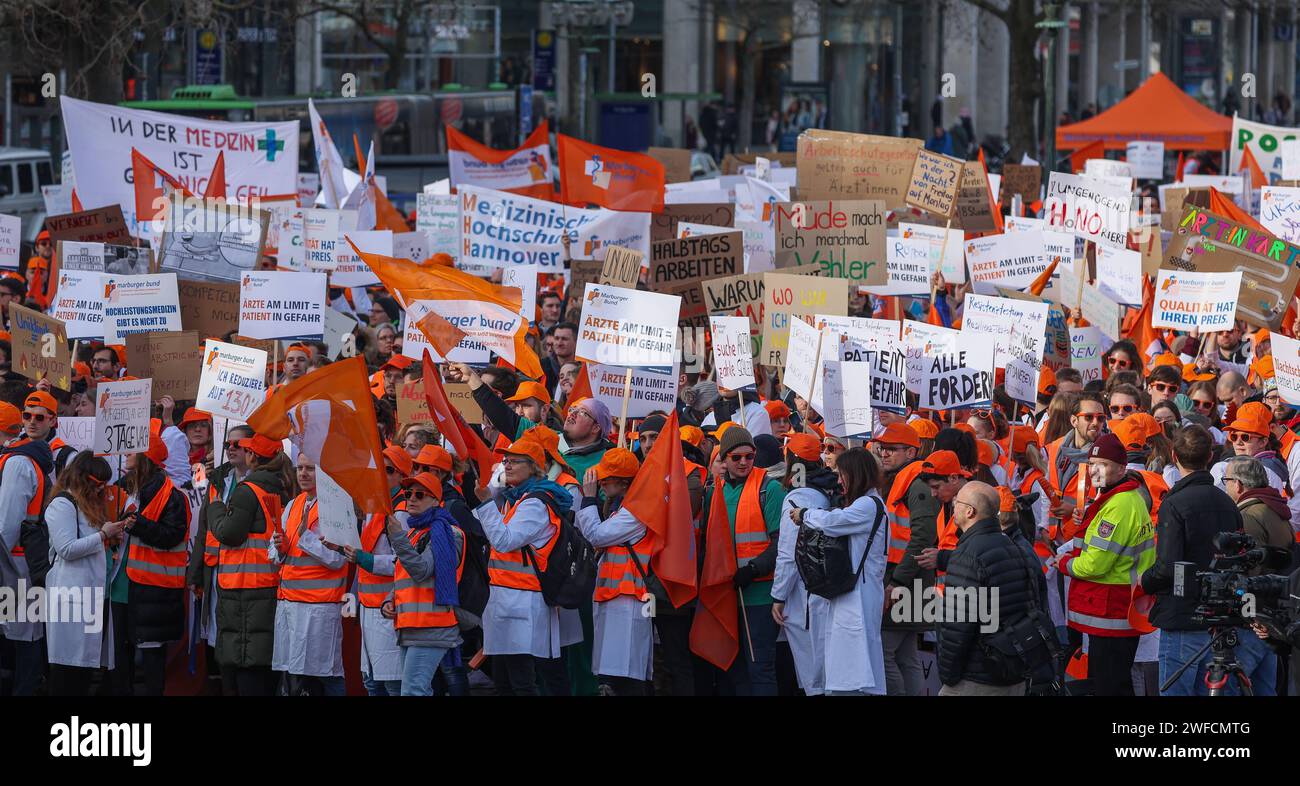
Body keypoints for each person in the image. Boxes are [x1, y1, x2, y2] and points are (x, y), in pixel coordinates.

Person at [1140, 425, 1244, 696]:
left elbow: (1167, 566)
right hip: (1218, 617)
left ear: (1173, 455)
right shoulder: (1227, 502)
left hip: (1184, 614)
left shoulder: (1174, 504)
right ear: (1210, 456)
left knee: (1177, 690)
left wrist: (1144, 581)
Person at [1053, 432, 1156, 696]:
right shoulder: (1116, 498)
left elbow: (1094, 565)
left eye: (1104, 465)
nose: (1096, 470)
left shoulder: (1119, 505)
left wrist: (1064, 563)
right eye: (1093, 464)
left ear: (1122, 468)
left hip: (1111, 610)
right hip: (1112, 609)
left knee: (1109, 686)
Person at [474, 436, 572, 696]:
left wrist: (485, 503)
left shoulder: (535, 503)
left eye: (514, 461)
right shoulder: (515, 499)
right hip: (508, 601)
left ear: (534, 467)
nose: (506, 465)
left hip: (523, 603)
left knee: (522, 682)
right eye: (505, 460)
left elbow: (505, 541)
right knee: (506, 682)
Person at [788, 447, 889, 695]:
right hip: (858, 589)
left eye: (842, 473)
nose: (839, 479)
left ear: (856, 474)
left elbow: (835, 523)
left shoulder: (867, 504)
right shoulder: (870, 503)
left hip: (859, 592)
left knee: (853, 657)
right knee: (852, 654)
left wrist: (805, 514)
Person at [206, 434, 296, 696]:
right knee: (263, 663)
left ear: (253, 456)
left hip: (243, 588)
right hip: (269, 583)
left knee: (246, 663)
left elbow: (230, 533)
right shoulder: (282, 486)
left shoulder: (248, 490)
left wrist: (216, 510)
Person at [699, 426, 786, 695]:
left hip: (759, 595)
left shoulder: (768, 489)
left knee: (759, 669)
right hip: (727, 595)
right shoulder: (715, 492)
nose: (744, 462)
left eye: (749, 456)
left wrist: (752, 569)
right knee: (733, 670)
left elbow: (781, 543)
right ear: (724, 459)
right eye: (736, 457)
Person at [934, 481, 1037, 696]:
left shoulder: (968, 555)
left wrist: (948, 675)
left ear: (970, 511)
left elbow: (958, 626)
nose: (954, 506)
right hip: (1011, 669)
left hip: (977, 677)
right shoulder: (1013, 545)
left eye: (957, 501)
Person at [117, 420, 191, 696]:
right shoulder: (130, 488)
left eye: (132, 450)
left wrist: (137, 525)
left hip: (155, 587)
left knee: (151, 658)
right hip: (132, 583)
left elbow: (172, 534)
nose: (126, 454)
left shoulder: (171, 495)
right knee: (126, 648)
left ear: (146, 457)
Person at [574, 448, 655, 695]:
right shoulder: (624, 507)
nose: (600, 483)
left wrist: (588, 500)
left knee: (628, 672)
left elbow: (596, 535)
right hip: (618, 594)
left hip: (632, 598)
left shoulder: (636, 510)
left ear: (623, 482)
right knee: (614, 672)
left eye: (606, 479)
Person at [44, 452, 123, 695]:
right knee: (67, 669)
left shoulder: (86, 505)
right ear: (81, 477)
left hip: (90, 597)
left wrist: (109, 538)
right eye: (97, 483)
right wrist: (103, 535)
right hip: (70, 596)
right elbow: (66, 549)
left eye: (104, 485)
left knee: (85, 669)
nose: (101, 490)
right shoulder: (62, 504)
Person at [269, 454, 349, 696]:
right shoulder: (294, 505)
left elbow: (339, 558)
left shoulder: (336, 506)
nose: (302, 473)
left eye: (310, 469)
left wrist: (307, 539)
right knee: (296, 672)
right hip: (290, 605)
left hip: (320, 607)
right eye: (300, 468)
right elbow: (274, 552)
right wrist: (278, 547)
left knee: (327, 673)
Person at [383, 472, 465, 696]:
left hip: (431, 626)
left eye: (420, 495)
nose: (411, 499)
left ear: (437, 502)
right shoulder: (414, 533)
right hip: (413, 625)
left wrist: (397, 538)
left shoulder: (448, 533)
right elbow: (404, 576)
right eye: (408, 493)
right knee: (418, 690)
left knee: (413, 691)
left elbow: (421, 570)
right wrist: (389, 601)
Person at [1218, 455, 1291, 695]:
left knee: (1235, 686)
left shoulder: (1249, 516)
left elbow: (1249, 570)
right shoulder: (1275, 510)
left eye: (1225, 480)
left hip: (1252, 619)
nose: (1225, 485)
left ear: (1237, 484)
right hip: (1272, 615)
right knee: (1265, 687)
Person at [0, 391, 57, 694]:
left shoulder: (19, 462)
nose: (32, 421)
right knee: (25, 635)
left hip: (16, 563)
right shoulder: (31, 458)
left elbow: (6, 525)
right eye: (27, 415)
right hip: (25, 562)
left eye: (39, 416)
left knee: (23, 638)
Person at [875, 422, 938, 696]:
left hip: (905, 581)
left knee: (885, 654)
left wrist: (897, 581)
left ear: (911, 452)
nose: (885, 454)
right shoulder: (908, 480)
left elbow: (923, 536)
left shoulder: (917, 484)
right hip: (910, 581)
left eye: (892, 449)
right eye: (882, 448)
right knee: (906, 657)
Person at [771, 433, 836, 695]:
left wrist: (778, 595)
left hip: (804, 596)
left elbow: (788, 554)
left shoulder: (797, 498)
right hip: (822, 588)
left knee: (813, 677)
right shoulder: (824, 491)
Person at [1046, 392, 1105, 537]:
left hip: (1082, 535)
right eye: (1088, 417)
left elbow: (1104, 502)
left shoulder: (1102, 455)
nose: (1095, 423)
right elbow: (1046, 490)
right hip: (1053, 532)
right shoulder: (1056, 447)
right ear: (1074, 421)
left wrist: (1073, 509)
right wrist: (1043, 528)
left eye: (1100, 418)